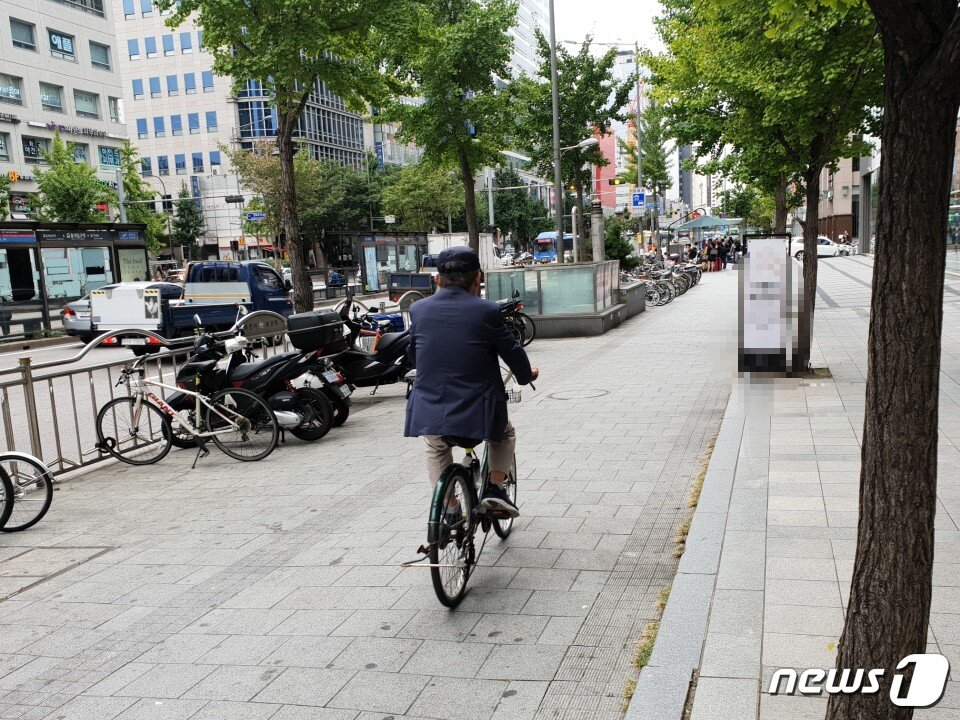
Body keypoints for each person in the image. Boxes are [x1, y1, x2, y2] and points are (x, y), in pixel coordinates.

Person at [405, 247, 538, 518]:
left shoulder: (418, 309)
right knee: (505, 433)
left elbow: (412, 353)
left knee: (436, 445)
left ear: (438, 280)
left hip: (430, 408)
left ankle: (449, 509)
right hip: (479, 414)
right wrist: (526, 375)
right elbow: (512, 351)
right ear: (477, 278)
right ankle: (495, 489)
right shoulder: (487, 311)